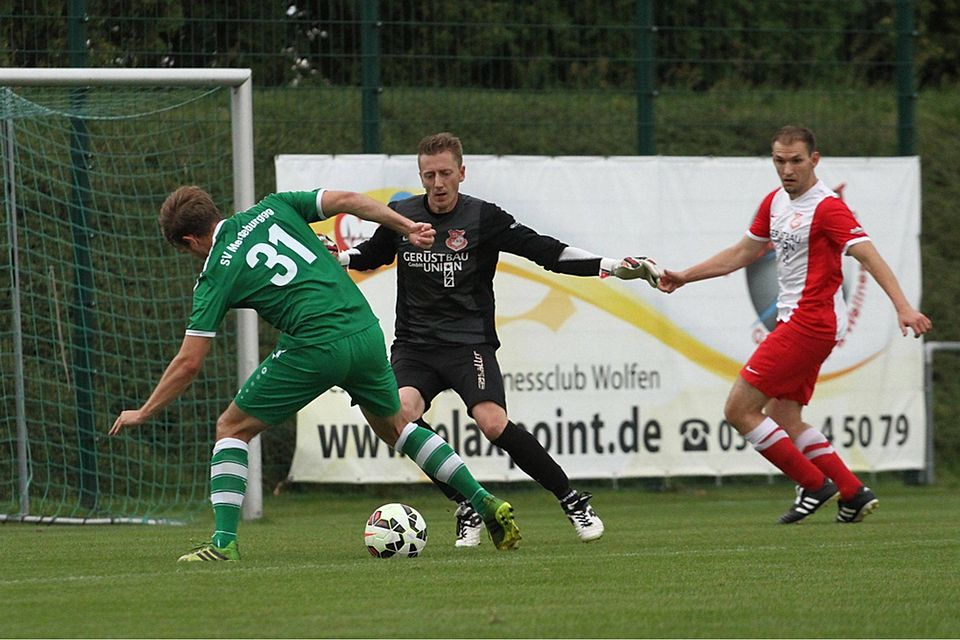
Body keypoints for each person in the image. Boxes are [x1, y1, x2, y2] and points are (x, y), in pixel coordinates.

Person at [108, 185, 521, 561]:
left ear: (190, 241)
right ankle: (483, 501)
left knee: (231, 428)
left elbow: (188, 362)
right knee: (397, 426)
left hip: (315, 344)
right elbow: (347, 200)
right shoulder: (273, 207)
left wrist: (144, 411)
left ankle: (223, 544)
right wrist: (406, 226)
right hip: (364, 330)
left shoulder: (216, 270)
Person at [337, 132, 660, 545]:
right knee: (399, 415)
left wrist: (612, 266)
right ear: (421, 177)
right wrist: (340, 257)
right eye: (429, 175)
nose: (438, 183)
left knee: (492, 422)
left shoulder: (483, 217)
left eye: (446, 173)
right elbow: (372, 254)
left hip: (468, 344)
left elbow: (547, 251)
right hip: (415, 346)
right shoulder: (402, 214)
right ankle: (468, 504)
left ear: (462, 173)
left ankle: (572, 500)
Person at [657, 125, 932, 524]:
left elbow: (869, 256)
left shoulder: (827, 208)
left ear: (814, 160)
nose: (787, 170)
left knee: (739, 410)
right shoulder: (774, 202)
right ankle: (853, 493)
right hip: (802, 323)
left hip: (809, 323)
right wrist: (685, 276)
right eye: (780, 161)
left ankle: (814, 484)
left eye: (796, 161)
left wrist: (903, 307)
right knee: (784, 417)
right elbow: (742, 253)